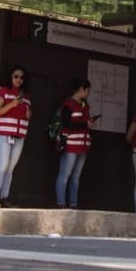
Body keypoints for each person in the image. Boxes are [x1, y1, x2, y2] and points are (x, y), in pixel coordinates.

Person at [0, 65, 32, 208]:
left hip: (20, 136)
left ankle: (4, 197)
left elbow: (27, 115)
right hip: (4, 133)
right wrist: (12, 104)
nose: (19, 79)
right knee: (2, 165)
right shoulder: (3, 91)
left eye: (21, 77)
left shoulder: (26, 97)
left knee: (10, 168)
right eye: (16, 76)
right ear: (10, 77)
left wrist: (28, 115)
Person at [55, 77, 95, 208]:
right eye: (88, 90)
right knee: (65, 175)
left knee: (76, 177)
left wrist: (90, 124)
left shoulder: (85, 105)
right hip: (70, 145)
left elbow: (83, 123)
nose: (88, 93)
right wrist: (85, 125)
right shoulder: (68, 105)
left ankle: (73, 204)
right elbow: (67, 124)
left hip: (83, 146)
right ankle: (61, 204)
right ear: (81, 89)